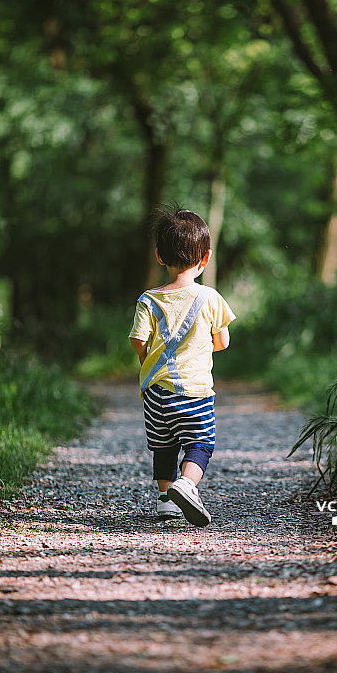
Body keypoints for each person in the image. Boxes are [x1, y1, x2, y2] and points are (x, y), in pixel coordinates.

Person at [129, 206, 235, 527]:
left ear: (160, 256)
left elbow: (137, 340)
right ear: (206, 258)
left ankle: (165, 501)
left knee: (164, 446)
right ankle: (187, 485)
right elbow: (223, 341)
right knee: (200, 442)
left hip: (155, 393)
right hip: (194, 391)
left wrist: (148, 359)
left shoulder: (148, 299)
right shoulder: (210, 298)